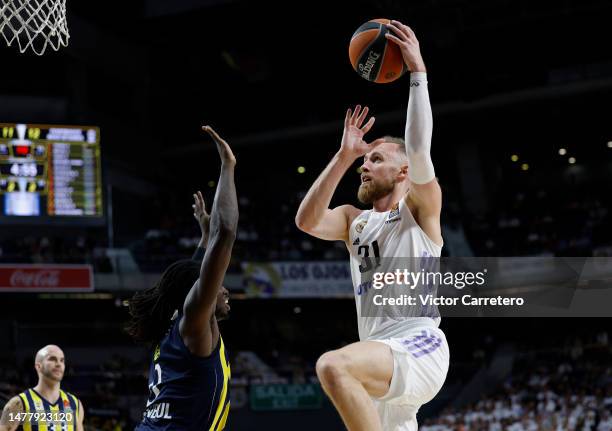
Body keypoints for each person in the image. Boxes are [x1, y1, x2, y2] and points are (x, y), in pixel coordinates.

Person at [295, 21, 449, 431]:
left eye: (376, 159)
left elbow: (417, 148)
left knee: (332, 366)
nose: (366, 164)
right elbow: (306, 220)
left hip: (418, 343)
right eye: (365, 160)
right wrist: (345, 155)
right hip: (378, 356)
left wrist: (418, 75)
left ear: (403, 173)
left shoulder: (420, 207)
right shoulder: (354, 220)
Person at [127, 126, 238, 431]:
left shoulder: (178, 324)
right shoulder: (193, 325)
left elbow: (192, 276)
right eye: (217, 284)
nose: (223, 289)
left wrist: (203, 240)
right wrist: (227, 167)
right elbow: (226, 231)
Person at [0, 345, 84, 431]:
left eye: (62, 360)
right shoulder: (18, 403)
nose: (58, 364)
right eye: (52, 359)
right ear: (38, 366)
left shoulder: (75, 404)